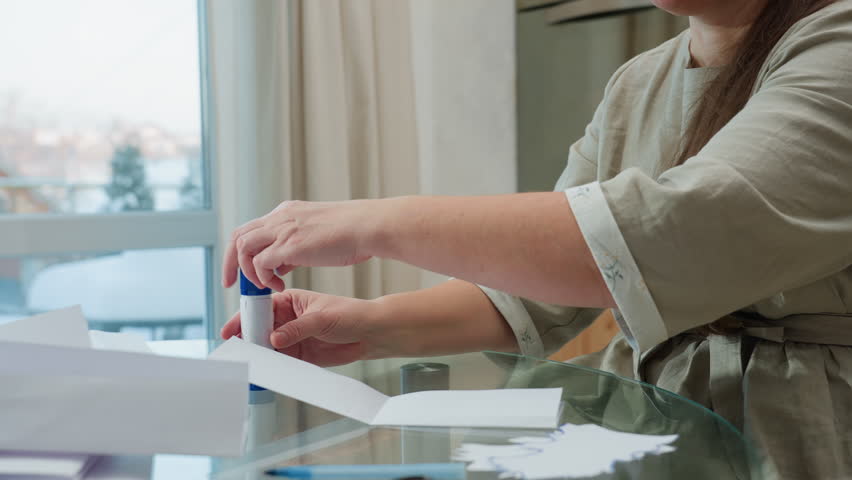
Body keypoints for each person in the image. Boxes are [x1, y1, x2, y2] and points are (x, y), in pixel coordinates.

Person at [221, 0, 852, 477]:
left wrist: (372, 224)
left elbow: (665, 234)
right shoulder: (639, 83)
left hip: (805, 435)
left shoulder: (838, 44)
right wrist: (362, 325)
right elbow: (537, 291)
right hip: (655, 433)